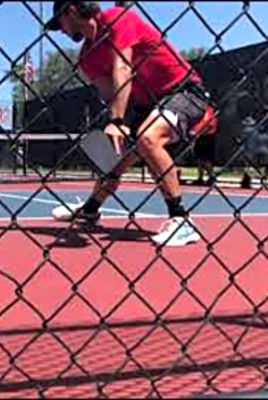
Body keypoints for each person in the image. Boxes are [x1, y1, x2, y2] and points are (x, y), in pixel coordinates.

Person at [46, 1, 217, 247]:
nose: (60, 30)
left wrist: (117, 121)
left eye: (59, 23)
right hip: (147, 104)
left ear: (71, 11)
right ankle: (90, 210)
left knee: (149, 138)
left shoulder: (118, 18)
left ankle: (181, 220)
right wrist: (119, 123)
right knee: (113, 159)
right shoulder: (86, 57)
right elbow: (109, 93)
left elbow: (122, 67)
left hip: (185, 91)